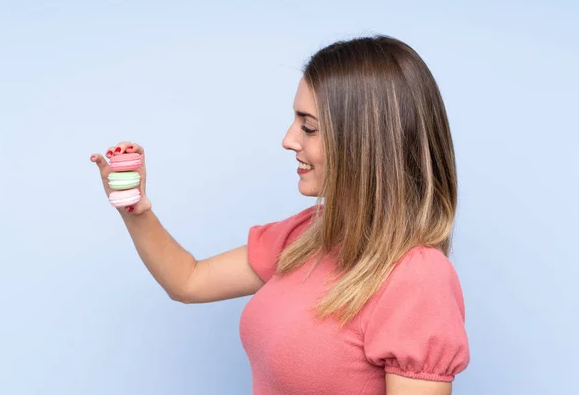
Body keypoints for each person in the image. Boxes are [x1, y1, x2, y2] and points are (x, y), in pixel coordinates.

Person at [90, 35, 470, 395]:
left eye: (309, 127)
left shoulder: (418, 278)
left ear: (364, 140)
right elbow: (189, 280)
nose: (289, 139)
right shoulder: (311, 233)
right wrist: (133, 208)